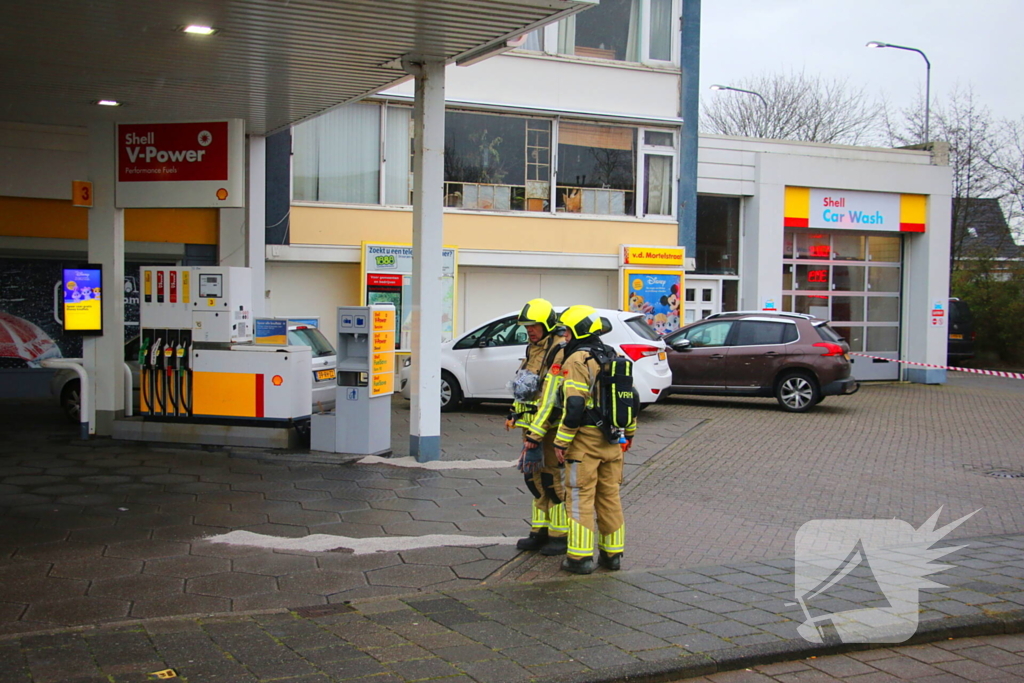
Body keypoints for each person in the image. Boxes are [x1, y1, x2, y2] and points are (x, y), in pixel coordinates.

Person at [551, 305, 635, 574]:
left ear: (577, 330)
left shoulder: (577, 360)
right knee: (610, 497)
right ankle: (612, 556)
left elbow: (574, 405)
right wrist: (629, 432)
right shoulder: (611, 354)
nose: (563, 337)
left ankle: (579, 558)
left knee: (579, 498)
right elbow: (629, 398)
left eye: (566, 332)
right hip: (612, 441)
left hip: (585, 443)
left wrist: (561, 442)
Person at [507, 298, 569, 556]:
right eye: (526, 326)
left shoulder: (559, 349)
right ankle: (539, 531)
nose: (529, 330)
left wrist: (537, 433)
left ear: (547, 324)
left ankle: (559, 534)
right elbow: (527, 385)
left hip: (549, 427)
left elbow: (551, 395)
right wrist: (513, 411)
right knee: (533, 478)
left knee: (551, 479)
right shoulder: (533, 348)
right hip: (531, 425)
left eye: (534, 325)